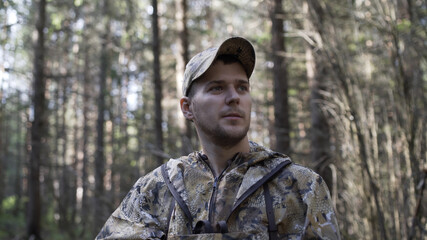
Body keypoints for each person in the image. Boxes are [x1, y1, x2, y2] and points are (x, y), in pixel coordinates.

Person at [96, 37, 340, 240]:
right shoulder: (157, 190)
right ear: (187, 108)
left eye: (242, 87)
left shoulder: (300, 187)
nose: (234, 97)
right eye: (217, 88)